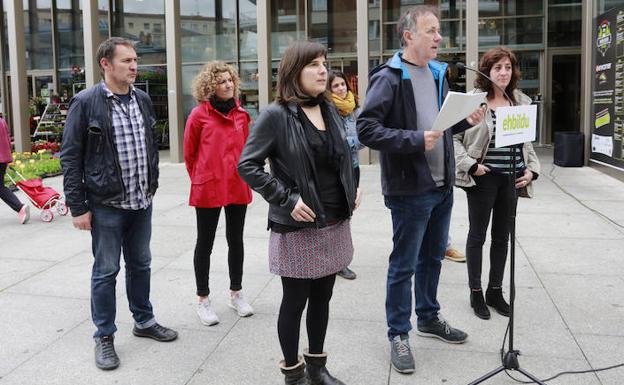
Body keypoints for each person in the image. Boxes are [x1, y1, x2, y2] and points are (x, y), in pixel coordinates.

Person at [357, 5, 485, 374]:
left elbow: (440, 126)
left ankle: (428, 317)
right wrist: (414, 139)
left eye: (439, 31)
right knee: (404, 265)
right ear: (409, 35)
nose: (439, 37)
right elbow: (367, 129)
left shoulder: (439, 73)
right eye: (431, 31)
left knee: (432, 258)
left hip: (444, 185)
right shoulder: (389, 77)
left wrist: (465, 119)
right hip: (409, 189)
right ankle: (398, 333)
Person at [238, 40, 360, 385]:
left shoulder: (330, 108)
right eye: (313, 65)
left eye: (324, 62)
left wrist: (354, 184)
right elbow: (248, 165)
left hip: (334, 218)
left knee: (323, 296)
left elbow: (344, 156)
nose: (323, 70)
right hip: (298, 224)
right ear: (294, 72)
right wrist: (287, 199)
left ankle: (317, 368)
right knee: (295, 300)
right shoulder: (275, 115)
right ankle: (293, 374)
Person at [60, 37, 177, 371]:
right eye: (127, 60)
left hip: (141, 201)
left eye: (135, 60)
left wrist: (151, 184)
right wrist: (78, 206)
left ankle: (144, 320)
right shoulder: (86, 102)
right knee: (106, 271)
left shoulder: (141, 99)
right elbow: (70, 157)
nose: (134, 66)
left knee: (141, 264)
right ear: (106, 64)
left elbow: (150, 145)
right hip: (106, 204)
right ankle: (105, 336)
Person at [453, 46, 540, 320]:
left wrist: (531, 172)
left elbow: (527, 143)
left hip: (511, 180)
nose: (503, 72)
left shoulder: (521, 102)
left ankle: (494, 290)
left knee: (502, 238)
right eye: (497, 68)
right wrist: (471, 166)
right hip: (483, 178)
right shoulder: (472, 101)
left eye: (508, 67)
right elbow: (453, 139)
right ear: (487, 72)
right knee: (477, 236)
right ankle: (476, 292)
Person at [184, 61, 254, 326]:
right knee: (206, 242)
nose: (228, 85)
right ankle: (203, 299)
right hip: (209, 186)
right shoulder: (198, 115)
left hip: (237, 184)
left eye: (230, 80)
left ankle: (236, 293)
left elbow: (247, 151)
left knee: (236, 240)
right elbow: (189, 154)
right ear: (210, 85)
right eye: (222, 81)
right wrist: (202, 177)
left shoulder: (241, 115)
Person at [328, 70, 363, 280]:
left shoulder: (354, 109)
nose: (341, 89)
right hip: (333, 170)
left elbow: (365, 137)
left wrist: (347, 143)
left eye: (343, 84)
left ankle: (341, 261)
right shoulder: (327, 111)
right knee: (335, 215)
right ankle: (334, 260)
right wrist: (350, 143)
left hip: (353, 167)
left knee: (347, 214)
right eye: (336, 86)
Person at [0, 115, 29, 224]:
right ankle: (20, 207)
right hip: (3, 159)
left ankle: (19, 207)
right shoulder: (2, 121)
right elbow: (7, 140)